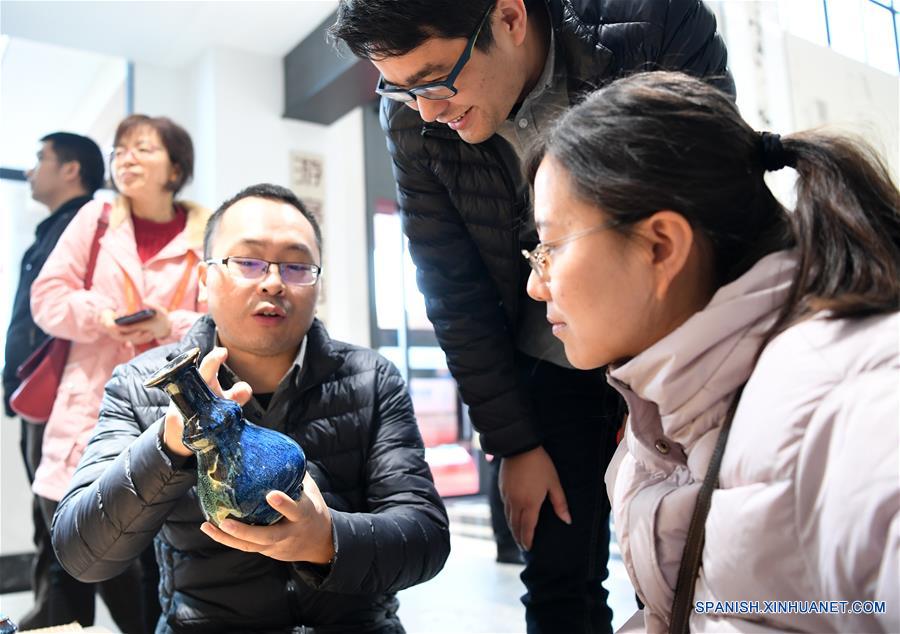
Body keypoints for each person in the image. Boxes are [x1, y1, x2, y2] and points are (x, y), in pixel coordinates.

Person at [329, 1, 732, 630]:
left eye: (435, 78)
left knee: (708, 567)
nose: (427, 109)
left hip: (681, 342)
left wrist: (652, 386)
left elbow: (712, 202)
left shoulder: (650, 19)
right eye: (399, 86)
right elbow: (452, 288)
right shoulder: (412, 117)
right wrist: (514, 442)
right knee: (558, 579)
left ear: (510, 18)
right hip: (548, 359)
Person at [523, 71, 899, 633]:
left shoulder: (854, 404)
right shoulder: (667, 414)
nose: (536, 285)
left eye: (550, 247)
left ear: (660, 245)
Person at [50, 183, 451, 633]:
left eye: (297, 266)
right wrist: (167, 446)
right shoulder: (142, 387)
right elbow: (81, 554)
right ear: (205, 280)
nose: (274, 281)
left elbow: (427, 537)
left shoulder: (371, 378)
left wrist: (327, 540)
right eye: (247, 261)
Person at [29, 114, 210, 632]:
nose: (125, 159)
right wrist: (102, 317)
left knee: (161, 580)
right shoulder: (98, 217)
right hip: (88, 407)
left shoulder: (206, 232)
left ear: (175, 167)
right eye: (120, 150)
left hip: (170, 421)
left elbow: (218, 322)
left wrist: (165, 323)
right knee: (85, 560)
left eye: (142, 149)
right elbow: (48, 298)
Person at [3, 132, 104, 630]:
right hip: (37, 395)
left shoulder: (86, 227)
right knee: (48, 508)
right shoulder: (56, 230)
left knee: (58, 507)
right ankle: (57, 613)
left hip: (63, 394)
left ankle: (59, 614)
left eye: (40, 159)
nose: (30, 170)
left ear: (71, 169)